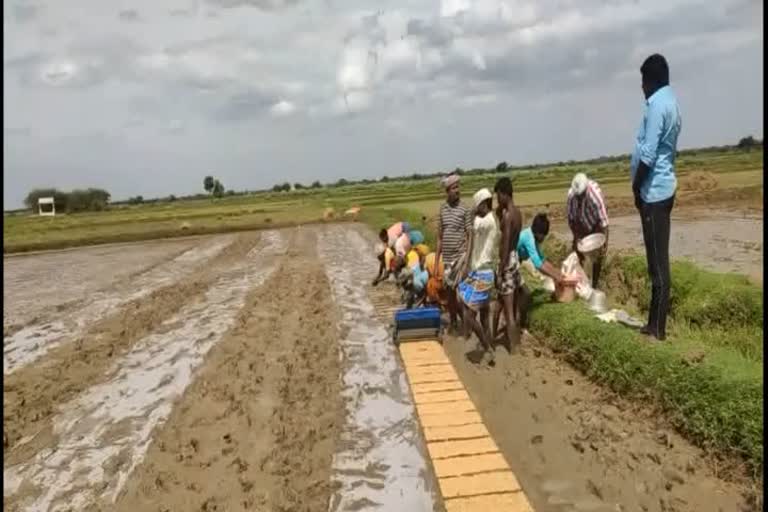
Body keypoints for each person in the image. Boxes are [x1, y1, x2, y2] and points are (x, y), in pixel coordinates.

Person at [630, 53, 682, 341]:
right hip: (663, 189)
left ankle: (658, 329)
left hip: (654, 193)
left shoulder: (657, 105)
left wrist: (637, 187)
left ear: (651, 80)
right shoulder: (671, 102)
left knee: (658, 264)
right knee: (657, 262)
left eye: (642, 80)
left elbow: (648, 154)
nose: (641, 86)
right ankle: (652, 324)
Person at [494, 213, 564, 340]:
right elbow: (537, 264)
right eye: (544, 235)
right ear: (539, 233)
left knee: (517, 295)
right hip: (507, 266)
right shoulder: (529, 238)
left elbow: (542, 259)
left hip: (514, 265)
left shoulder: (533, 237)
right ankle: (505, 328)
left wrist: (557, 273)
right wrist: (555, 277)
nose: (544, 239)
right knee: (510, 298)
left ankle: (509, 325)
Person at [457, 188, 498, 365]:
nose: (476, 209)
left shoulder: (487, 221)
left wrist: (470, 213)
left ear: (483, 204)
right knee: (480, 311)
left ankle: (487, 348)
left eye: (477, 206)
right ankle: (486, 344)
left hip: (483, 273)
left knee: (469, 316)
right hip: (479, 271)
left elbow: (471, 228)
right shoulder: (486, 220)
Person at [436, 173, 472, 331]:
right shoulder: (442, 209)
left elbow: (470, 235)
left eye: (458, 187)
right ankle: (454, 322)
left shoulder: (465, 209)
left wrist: (468, 258)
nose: (457, 190)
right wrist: (437, 262)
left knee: (462, 295)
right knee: (450, 295)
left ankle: (467, 324)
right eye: (454, 188)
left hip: (460, 258)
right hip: (447, 259)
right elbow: (439, 237)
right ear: (447, 191)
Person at [493, 177, 524, 351]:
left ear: (505, 194)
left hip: (507, 262)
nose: (498, 199)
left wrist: (499, 271)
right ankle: (500, 339)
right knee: (504, 304)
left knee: (509, 311)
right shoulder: (518, 213)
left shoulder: (507, 216)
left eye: (498, 195)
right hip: (514, 259)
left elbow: (504, 247)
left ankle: (514, 347)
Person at [567, 173, 609, 288]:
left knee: (598, 256)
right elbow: (571, 220)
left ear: (586, 190)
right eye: (578, 196)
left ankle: (594, 285)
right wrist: (576, 237)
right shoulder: (571, 195)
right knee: (577, 252)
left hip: (595, 224)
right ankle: (579, 284)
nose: (579, 198)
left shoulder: (595, 195)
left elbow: (604, 221)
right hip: (580, 224)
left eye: (581, 195)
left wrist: (605, 242)